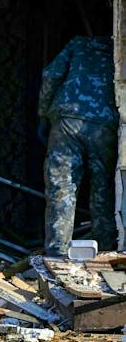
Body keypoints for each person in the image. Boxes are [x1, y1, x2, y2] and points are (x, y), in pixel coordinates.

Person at [38, 35, 117, 256]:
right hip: (106, 123)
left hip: (67, 120)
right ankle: (107, 253)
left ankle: (57, 254)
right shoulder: (118, 50)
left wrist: (43, 113)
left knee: (61, 188)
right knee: (104, 190)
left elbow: (50, 75)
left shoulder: (78, 44)